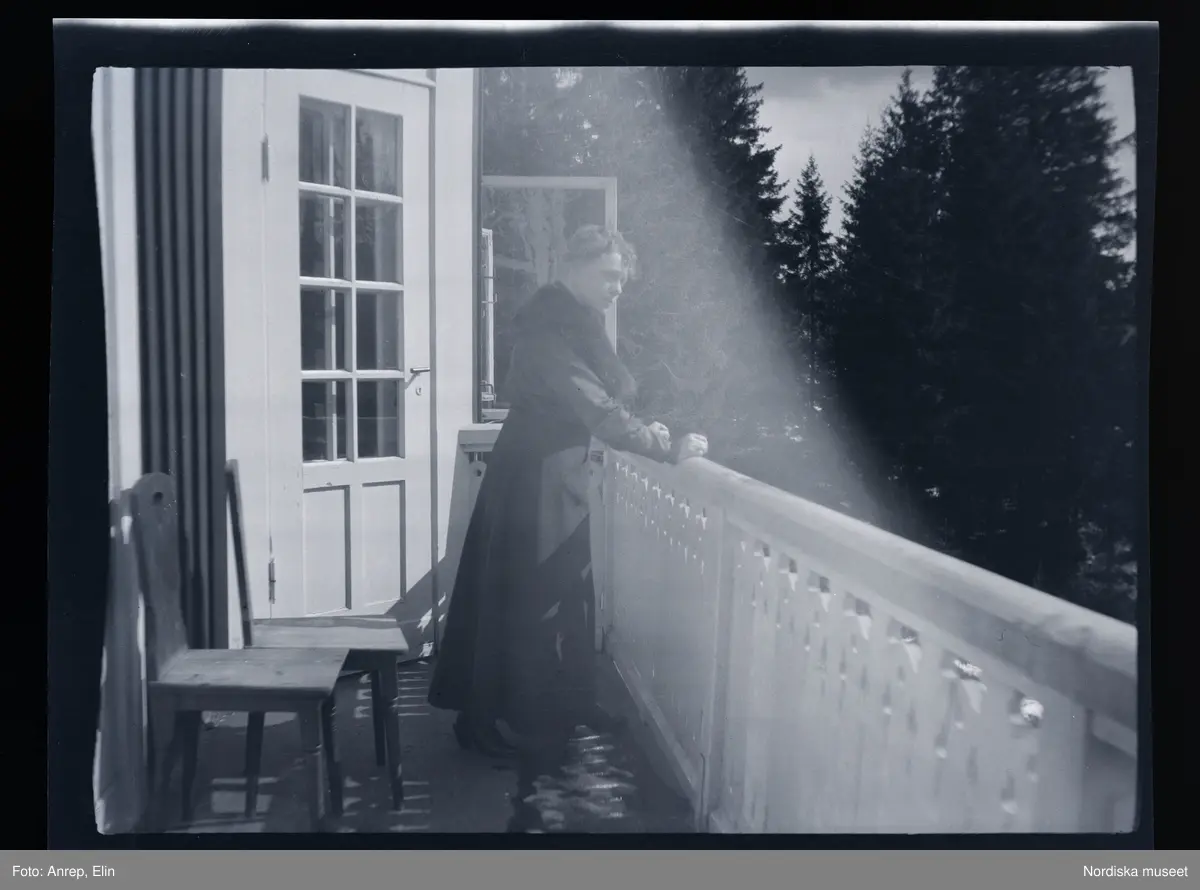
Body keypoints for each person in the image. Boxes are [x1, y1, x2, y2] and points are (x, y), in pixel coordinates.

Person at [426, 224, 708, 826]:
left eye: (622, 278)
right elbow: (590, 404)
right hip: (534, 476)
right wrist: (663, 447)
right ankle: (479, 722)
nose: (616, 288)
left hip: (559, 472)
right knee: (524, 599)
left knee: (567, 595)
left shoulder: (576, 323)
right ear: (572, 269)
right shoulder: (547, 329)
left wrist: (647, 427)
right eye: (607, 275)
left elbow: (604, 401)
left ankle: (568, 704)